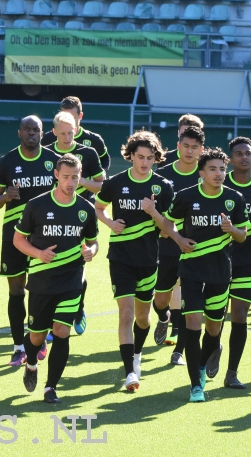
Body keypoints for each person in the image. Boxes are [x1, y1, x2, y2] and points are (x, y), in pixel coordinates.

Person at [150, 148, 249, 402]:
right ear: (202, 172)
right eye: (213, 169)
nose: (218, 174)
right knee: (193, 324)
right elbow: (168, 222)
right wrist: (179, 239)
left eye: (222, 169)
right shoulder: (186, 197)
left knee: (214, 330)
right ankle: (196, 385)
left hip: (219, 272)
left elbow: (242, 235)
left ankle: (203, 365)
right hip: (191, 271)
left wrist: (231, 228)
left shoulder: (234, 199)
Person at [15, 154, 99, 404]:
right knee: (36, 337)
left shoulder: (86, 209)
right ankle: (31, 364)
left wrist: (90, 252)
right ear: (56, 175)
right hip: (42, 280)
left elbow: (93, 242)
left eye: (75, 177)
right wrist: (39, 253)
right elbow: (18, 240)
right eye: (66, 177)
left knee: (62, 331)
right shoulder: (37, 205)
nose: (71, 182)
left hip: (72, 280)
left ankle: (51, 387)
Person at [95, 131, 173, 391]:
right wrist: (109, 223)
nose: (144, 162)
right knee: (126, 314)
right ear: (130, 156)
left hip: (149, 259)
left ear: (156, 159)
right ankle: (130, 372)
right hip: (120, 258)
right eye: (140, 157)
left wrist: (153, 212)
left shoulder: (162, 187)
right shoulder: (116, 182)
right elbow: (99, 207)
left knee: (142, 318)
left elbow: (167, 230)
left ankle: (137, 354)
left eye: (150, 158)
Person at [0, 115, 59, 367]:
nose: (31, 133)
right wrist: (6, 196)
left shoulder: (53, 161)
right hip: (15, 235)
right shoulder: (7, 162)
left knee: (43, 289)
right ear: (19, 133)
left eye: (36, 130)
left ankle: (39, 339)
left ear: (42, 133)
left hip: (47, 235)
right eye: (27, 129)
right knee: (16, 290)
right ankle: (19, 346)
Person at [211, 136, 251, 389]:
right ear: (230, 159)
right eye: (238, 153)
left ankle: (232, 372)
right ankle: (213, 346)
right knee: (215, 316)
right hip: (218, 259)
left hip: (248, 259)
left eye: (248, 153)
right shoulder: (218, 185)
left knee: (239, 315)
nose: (244, 157)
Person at [47, 111, 104, 334]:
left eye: (70, 132)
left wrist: (78, 181)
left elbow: (101, 185)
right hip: (52, 215)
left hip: (81, 215)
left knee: (79, 264)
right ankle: (54, 320)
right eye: (62, 133)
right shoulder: (47, 152)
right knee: (52, 266)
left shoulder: (87, 153)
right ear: (54, 133)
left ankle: (78, 307)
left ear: (76, 130)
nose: (67, 137)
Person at [155, 126, 205, 364]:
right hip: (167, 245)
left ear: (201, 150)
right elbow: (156, 211)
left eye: (195, 147)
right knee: (161, 299)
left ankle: (179, 352)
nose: (189, 150)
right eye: (186, 145)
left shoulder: (206, 174)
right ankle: (163, 317)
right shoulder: (163, 175)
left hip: (196, 248)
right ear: (178, 146)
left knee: (190, 302)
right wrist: (162, 229)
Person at [41, 96, 110, 172]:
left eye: (72, 118)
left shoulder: (94, 140)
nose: (68, 120)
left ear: (80, 116)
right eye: (64, 117)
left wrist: (94, 178)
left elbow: (105, 160)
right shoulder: (48, 138)